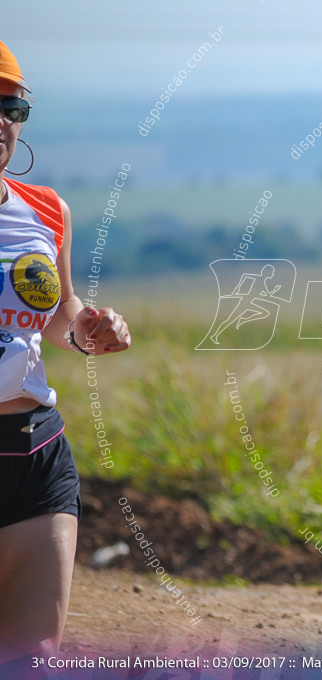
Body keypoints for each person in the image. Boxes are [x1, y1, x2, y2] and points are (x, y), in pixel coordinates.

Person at [0, 41, 132, 665]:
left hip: (36, 451)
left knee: (34, 657)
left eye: (11, 105)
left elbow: (59, 314)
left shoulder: (46, 211)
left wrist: (91, 328)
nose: (1, 120)